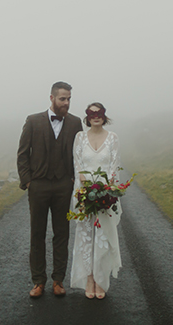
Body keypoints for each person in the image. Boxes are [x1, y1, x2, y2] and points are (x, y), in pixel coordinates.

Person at [17, 81, 83, 298]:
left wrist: (74, 179)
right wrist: (28, 181)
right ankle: (38, 281)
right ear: (52, 98)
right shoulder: (33, 121)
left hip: (64, 185)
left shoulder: (75, 123)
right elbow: (23, 154)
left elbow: (79, 154)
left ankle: (58, 280)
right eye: (63, 98)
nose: (66, 102)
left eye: (69, 98)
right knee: (37, 233)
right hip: (38, 185)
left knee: (62, 233)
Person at [70, 102, 122, 299]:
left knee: (102, 239)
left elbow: (114, 168)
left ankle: (101, 281)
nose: (95, 116)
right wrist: (83, 192)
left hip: (105, 197)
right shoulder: (80, 137)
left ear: (104, 115)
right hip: (85, 196)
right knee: (86, 238)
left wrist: (107, 193)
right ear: (87, 117)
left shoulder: (113, 138)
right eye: (91, 113)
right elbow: (78, 166)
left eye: (99, 113)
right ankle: (89, 279)